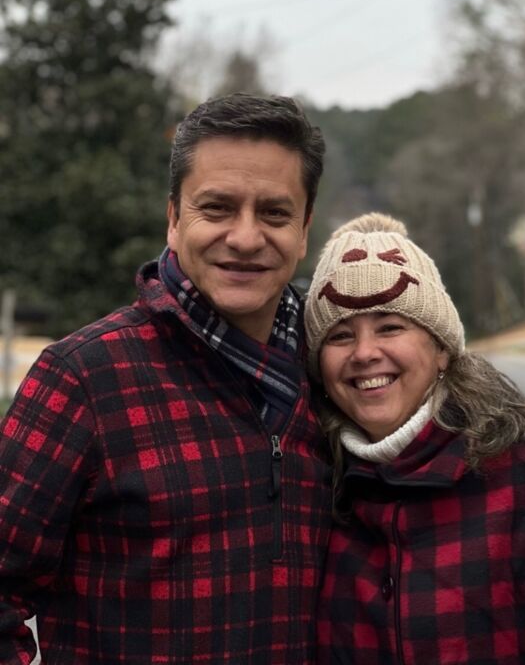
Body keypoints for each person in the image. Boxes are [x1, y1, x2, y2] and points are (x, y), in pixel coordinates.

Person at [0, 93, 333, 664]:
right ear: (174, 219)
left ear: (304, 230)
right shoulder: (85, 379)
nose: (246, 237)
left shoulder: (329, 375)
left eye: (274, 214)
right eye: (217, 208)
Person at [304, 213, 525, 665]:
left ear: (442, 349)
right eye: (341, 336)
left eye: (390, 327)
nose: (364, 353)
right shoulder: (318, 494)